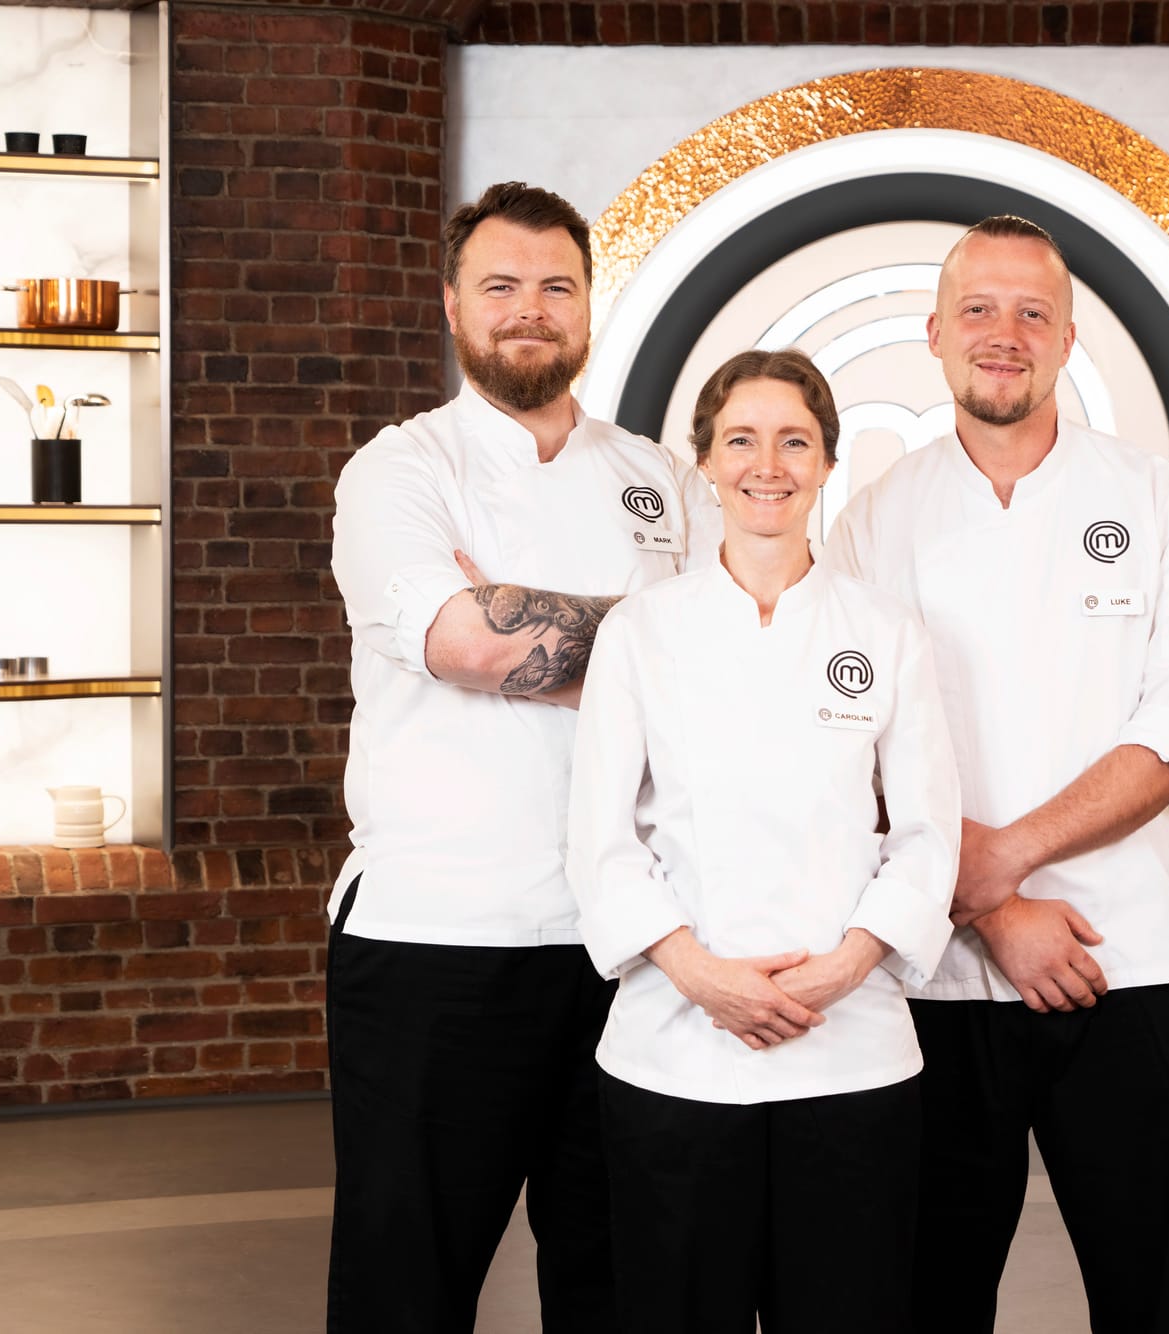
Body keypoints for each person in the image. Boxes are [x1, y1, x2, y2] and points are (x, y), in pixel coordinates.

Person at [822, 216, 1169, 1334]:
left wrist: (1002, 857)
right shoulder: (870, 520)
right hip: (933, 979)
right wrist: (995, 904)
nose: (1002, 335)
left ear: (1066, 339)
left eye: (1031, 313)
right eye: (977, 310)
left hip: (1130, 962)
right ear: (933, 334)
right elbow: (851, 748)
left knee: (1162, 1300)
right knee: (923, 1297)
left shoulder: (1155, 501)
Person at [326, 181, 720, 1333]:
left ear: (591, 306)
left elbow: (740, 659)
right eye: (500, 285)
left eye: (557, 286)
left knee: (619, 1277)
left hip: (622, 945)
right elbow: (464, 641)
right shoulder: (400, 469)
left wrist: (519, 618)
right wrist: (651, 639)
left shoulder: (658, 476)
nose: (529, 310)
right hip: (437, 940)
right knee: (408, 1278)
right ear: (453, 305)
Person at [566, 348, 960, 1334]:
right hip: (676, 1050)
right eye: (739, 439)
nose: (766, 462)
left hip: (852, 1051)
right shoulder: (641, 632)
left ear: (828, 462)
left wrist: (842, 967)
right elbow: (599, 838)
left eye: (794, 439)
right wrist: (701, 972)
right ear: (704, 461)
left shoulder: (887, 630)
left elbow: (924, 833)